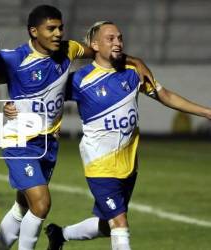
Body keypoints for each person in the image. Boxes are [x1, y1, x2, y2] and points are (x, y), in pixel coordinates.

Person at [0, 5, 155, 250]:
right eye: (51, 28)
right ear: (34, 31)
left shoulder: (69, 50)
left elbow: (103, 54)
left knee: (22, 206)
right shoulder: (14, 58)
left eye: (60, 27)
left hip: (47, 142)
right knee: (41, 204)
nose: (58, 33)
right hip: (18, 137)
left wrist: (136, 60)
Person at [45, 21, 211, 250]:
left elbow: (166, 96)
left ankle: (59, 234)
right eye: (110, 38)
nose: (118, 42)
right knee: (120, 223)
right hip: (99, 164)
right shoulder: (80, 80)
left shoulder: (133, 73)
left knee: (107, 224)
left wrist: (206, 112)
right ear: (94, 45)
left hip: (129, 163)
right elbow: (45, 97)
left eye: (120, 38)